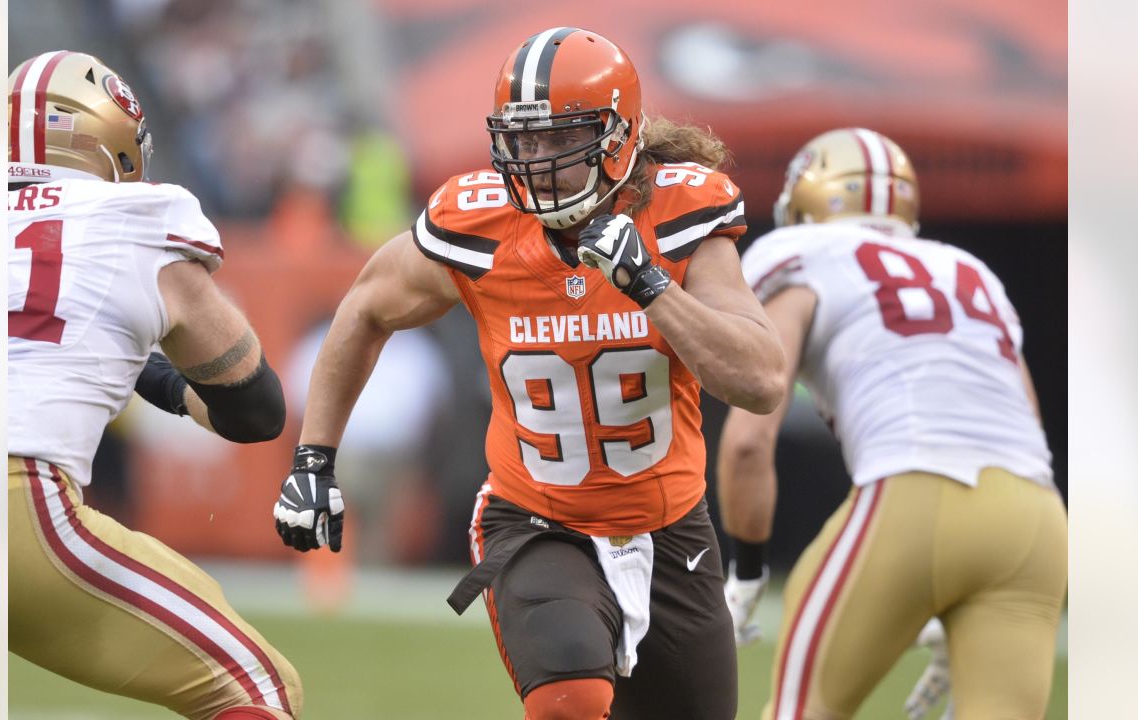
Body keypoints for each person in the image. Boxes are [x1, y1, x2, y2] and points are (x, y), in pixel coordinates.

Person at [272, 26, 787, 720]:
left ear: (617, 137)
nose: (537, 162)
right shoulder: (480, 226)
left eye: (558, 138)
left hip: (671, 529)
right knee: (569, 699)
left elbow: (759, 380)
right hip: (538, 518)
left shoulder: (678, 216)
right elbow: (365, 306)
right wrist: (314, 455)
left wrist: (650, 286)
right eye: (524, 140)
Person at [717, 127, 1067, 720]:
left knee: (801, 711)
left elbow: (751, 438)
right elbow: (1026, 420)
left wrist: (747, 570)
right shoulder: (969, 270)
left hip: (914, 489)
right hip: (1036, 522)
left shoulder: (799, 255)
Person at [8, 51, 302, 720]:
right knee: (255, 688)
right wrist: (163, 380)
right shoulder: (134, 220)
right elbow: (255, 408)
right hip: (6, 510)